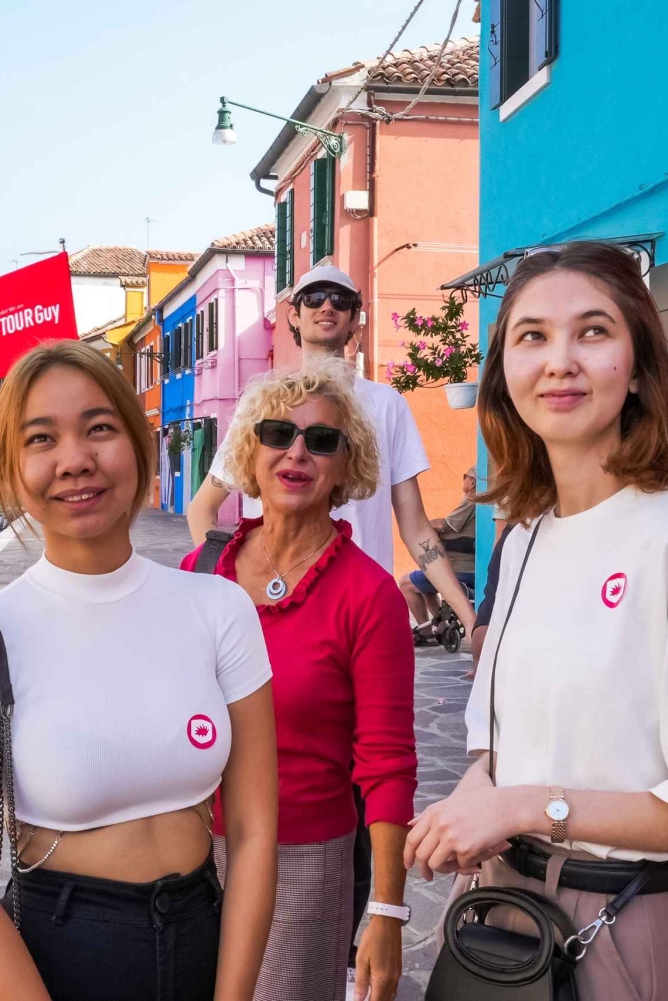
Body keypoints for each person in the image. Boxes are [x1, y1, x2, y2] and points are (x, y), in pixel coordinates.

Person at [405, 242, 668, 1000]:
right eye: (532, 335)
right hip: (503, 904)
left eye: (595, 331)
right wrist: (476, 796)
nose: (561, 360)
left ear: (639, 367)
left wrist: (522, 805)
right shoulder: (527, 534)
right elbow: (503, 740)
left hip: (621, 914)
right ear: (505, 375)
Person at [0, 340, 278, 1001]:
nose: (75, 460)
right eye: (40, 438)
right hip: (54, 959)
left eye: (99, 428)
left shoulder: (218, 608)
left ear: (139, 447)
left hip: (202, 936)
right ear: (12, 470)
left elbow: (255, 831)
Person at [183, 359, 417, 1001]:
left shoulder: (367, 595)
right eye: (277, 433)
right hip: (188, 857)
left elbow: (388, 763)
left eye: (321, 441)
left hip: (305, 860)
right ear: (248, 453)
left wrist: (387, 913)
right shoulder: (200, 574)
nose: (296, 453)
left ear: (347, 467)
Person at [187, 262, 475, 629]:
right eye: (314, 298)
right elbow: (202, 509)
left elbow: (416, 527)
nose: (327, 306)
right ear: (294, 314)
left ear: (355, 319)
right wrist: (227, 588)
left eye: (340, 300)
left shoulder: (386, 405)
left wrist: (469, 618)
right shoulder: (263, 404)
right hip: (274, 605)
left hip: (360, 607)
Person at [399, 467, 477, 632]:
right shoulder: (486, 505)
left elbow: (444, 525)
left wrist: (425, 526)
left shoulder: (472, 501)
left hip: (460, 570)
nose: (463, 480)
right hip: (473, 569)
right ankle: (442, 628)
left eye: (465, 476)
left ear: (472, 482)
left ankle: (427, 632)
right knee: (427, 580)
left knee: (406, 582)